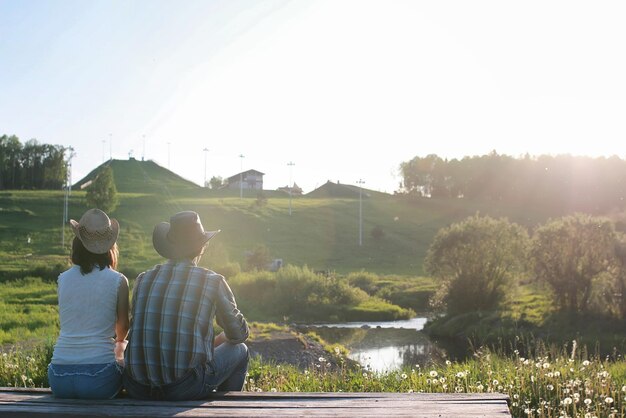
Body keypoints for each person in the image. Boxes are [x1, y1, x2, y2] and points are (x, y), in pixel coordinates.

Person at [123, 211, 249, 400]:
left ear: (169, 245)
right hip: (182, 388)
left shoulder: (143, 279)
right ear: (201, 248)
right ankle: (226, 409)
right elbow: (239, 334)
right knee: (240, 350)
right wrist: (222, 337)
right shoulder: (212, 281)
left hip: (137, 387)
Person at [48, 208, 130, 399]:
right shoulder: (118, 280)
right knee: (123, 347)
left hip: (58, 377)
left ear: (77, 243)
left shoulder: (63, 279)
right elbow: (123, 327)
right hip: (98, 378)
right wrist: (119, 344)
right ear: (110, 247)